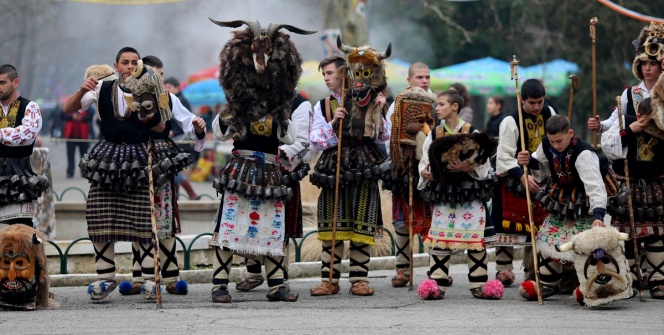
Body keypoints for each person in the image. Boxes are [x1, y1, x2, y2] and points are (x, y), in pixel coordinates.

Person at [63, 47, 205, 301]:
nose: (129, 67)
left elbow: (165, 126)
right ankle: (105, 278)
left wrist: (149, 112)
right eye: (124, 63)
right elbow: (69, 109)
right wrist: (82, 90)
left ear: (139, 66)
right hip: (106, 158)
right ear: (116, 66)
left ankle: (150, 279)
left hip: (141, 158)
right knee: (99, 214)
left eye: (133, 63)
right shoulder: (101, 88)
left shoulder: (155, 92)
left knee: (142, 219)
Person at [114, 55, 206, 297]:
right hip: (132, 160)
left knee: (163, 217)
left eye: (162, 76)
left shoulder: (168, 98)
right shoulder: (125, 96)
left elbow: (188, 123)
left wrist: (197, 127)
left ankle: (171, 277)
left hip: (160, 160)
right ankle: (138, 277)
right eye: (156, 75)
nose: (160, 81)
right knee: (137, 219)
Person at [308, 45, 390, 297]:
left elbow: (383, 137)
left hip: (364, 165)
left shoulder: (371, 100)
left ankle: (359, 280)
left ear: (345, 74)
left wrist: (380, 110)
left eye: (330, 73)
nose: (326, 77)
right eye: (324, 74)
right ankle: (329, 280)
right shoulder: (322, 106)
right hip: (334, 167)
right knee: (331, 224)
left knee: (361, 223)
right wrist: (334, 121)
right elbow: (316, 141)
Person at [417, 90, 501, 299]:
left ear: (454, 106)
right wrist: (424, 172)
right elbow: (424, 160)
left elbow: (484, 166)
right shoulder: (434, 133)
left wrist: (468, 169)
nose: (437, 108)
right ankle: (436, 286)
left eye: (441, 104)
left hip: (469, 193)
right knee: (439, 239)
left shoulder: (471, 131)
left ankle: (479, 285)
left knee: (474, 239)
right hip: (444, 193)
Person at [517, 115, 607, 300]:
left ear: (571, 133)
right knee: (549, 238)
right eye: (552, 141)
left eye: (559, 141)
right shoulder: (547, 144)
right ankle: (548, 283)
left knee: (584, 243)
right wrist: (526, 160)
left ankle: (590, 285)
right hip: (561, 198)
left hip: (583, 199)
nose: (556, 145)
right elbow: (540, 162)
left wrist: (598, 215)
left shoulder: (584, 154)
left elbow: (595, 186)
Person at [235, 91, 313, 292]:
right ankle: (253, 272)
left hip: (282, 170)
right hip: (253, 168)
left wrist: (279, 153)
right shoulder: (252, 97)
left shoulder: (299, 103)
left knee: (280, 224)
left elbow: (303, 140)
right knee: (249, 218)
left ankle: (280, 274)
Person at [492, 79, 555, 287]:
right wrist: (521, 174)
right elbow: (503, 156)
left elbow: (554, 144)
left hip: (541, 176)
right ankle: (503, 268)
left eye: (540, 102)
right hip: (514, 178)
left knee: (538, 226)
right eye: (532, 103)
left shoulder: (549, 113)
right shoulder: (510, 120)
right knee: (507, 224)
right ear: (522, 100)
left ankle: (532, 268)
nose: (537, 107)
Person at [602, 96, 664, 299]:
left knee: (655, 232)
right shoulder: (624, 121)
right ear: (639, 115)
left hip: (654, 185)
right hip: (627, 185)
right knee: (626, 235)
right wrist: (629, 131)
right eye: (647, 120)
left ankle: (657, 280)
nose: (651, 124)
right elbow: (608, 146)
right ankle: (630, 281)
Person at [384, 62, 436, 287]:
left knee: (435, 221)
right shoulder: (397, 105)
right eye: (419, 77)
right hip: (404, 169)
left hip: (430, 172)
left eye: (427, 77)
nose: (424, 81)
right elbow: (390, 136)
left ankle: (437, 270)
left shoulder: (436, 104)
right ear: (409, 80)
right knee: (402, 223)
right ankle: (402, 269)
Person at [588, 22, 663, 133]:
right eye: (643, 64)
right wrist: (600, 125)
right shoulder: (629, 94)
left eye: (652, 64)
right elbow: (615, 120)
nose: (647, 68)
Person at [0, 64, 49, 226]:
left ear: (15, 82)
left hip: (18, 172)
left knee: (21, 227)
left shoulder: (30, 107)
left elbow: (26, 135)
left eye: (2, 83)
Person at [61, 105, 93, 178]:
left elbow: (90, 116)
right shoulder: (70, 104)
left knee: (84, 155)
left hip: (83, 135)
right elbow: (62, 115)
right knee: (70, 155)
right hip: (71, 135)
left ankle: (84, 171)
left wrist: (81, 118)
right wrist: (72, 117)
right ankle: (70, 172)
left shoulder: (86, 106)